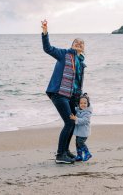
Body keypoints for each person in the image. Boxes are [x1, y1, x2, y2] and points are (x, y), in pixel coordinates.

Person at [41, 19, 86, 164]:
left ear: (84, 48)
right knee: (68, 122)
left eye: (81, 43)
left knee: (72, 123)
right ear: (72, 45)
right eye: (76, 42)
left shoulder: (81, 62)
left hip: (71, 96)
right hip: (59, 94)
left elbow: (77, 83)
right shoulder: (64, 54)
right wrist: (45, 32)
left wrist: (80, 98)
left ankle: (66, 151)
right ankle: (60, 155)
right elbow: (47, 48)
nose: (78, 44)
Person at [70, 93, 92, 161]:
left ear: (87, 104)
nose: (83, 104)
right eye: (81, 103)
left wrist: (76, 118)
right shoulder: (78, 110)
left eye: (85, 103)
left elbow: (84, 121)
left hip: (84, 132)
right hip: (79, 132)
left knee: (80, 142)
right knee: (77, 143)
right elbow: (74, 109)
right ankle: (79, 156)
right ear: (78, 104)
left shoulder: (87, 112)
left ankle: (87, 153)